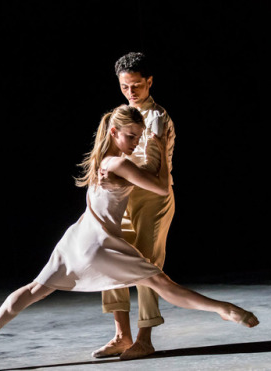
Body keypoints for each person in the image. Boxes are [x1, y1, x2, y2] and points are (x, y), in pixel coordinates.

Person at [0, 105, 259, 362]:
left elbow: (138, 167)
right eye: (130, 137)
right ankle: (225, 309)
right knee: (161, 283)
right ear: (113, 131)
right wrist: (159, 140)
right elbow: (161, 187)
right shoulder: (119, 162)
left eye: (137, 138)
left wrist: (148, 141)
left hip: (76, 237)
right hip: (98, 241)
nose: (133, 143)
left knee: (35, 289)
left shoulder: (101, 159)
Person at [92, 52, 176, 360]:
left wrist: (119, 168)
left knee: (145, 266)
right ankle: (121, 336)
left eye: (137, 85)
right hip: (123, 197)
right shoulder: (119, 115)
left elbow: (153, 171)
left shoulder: (157, 118)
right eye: (125, 86)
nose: (131, 92)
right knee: (111, 257)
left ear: (150, 82)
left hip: (153, 198)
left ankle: (145, 338)